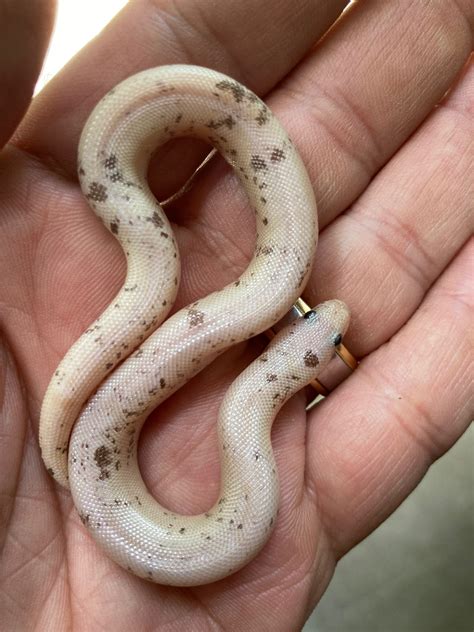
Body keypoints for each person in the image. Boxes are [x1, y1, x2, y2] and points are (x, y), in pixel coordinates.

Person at [0, 0, 472, 629]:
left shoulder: (251, 397)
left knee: (200, 317)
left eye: (319, 339)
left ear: (286, 352)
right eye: (324, 339)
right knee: (176, 290)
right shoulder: (250, 389)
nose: (329, 321)